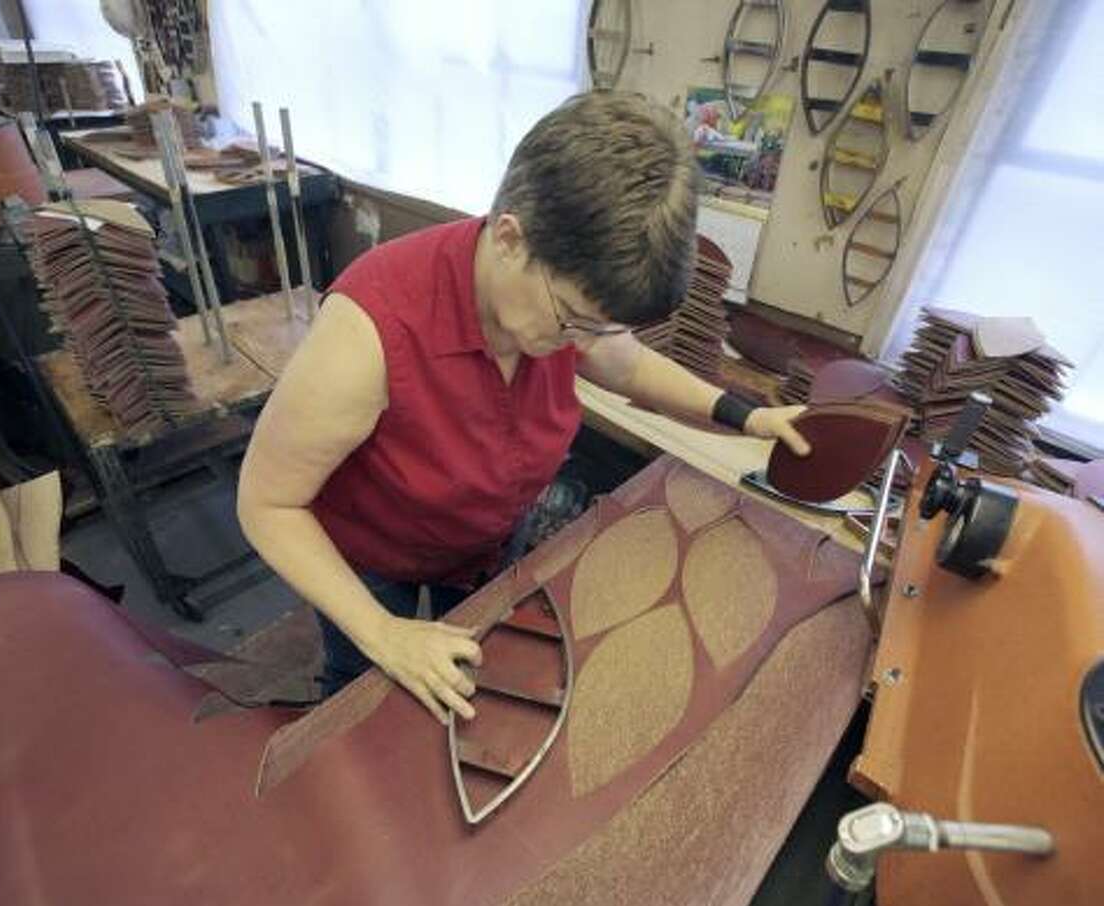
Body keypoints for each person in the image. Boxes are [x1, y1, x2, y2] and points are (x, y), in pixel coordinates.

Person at [237, 91, 809, 725]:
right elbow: (267, 504)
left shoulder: (555, 303)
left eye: (598, 325)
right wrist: (383, 633)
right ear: (509, 237)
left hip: (483, 540)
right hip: (372, 556)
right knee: (366, 698)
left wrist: (744, 415)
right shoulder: (370, 331)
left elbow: (627, 363)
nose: (583, 341)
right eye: (573, 320)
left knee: (484, 683)